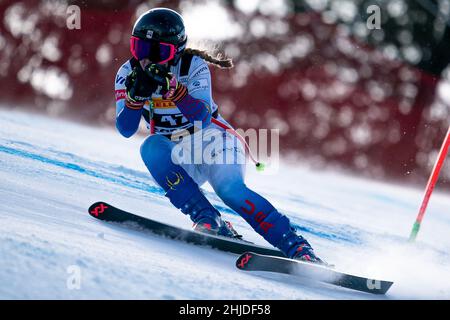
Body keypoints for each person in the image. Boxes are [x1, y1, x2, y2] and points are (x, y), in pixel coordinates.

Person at [114, 7, 324, 263]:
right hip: (180, 152)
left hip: (214, 141)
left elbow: (201, 116)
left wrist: (175, 90)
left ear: (176, 52)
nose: (147, 59)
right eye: (140, 48)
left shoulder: (193, 66)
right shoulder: (127, 73)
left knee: (230, 190)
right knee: (150, 147)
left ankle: (297, 247)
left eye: (158, 52)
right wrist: (135, 99)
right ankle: (207, 218)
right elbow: (125, 129)